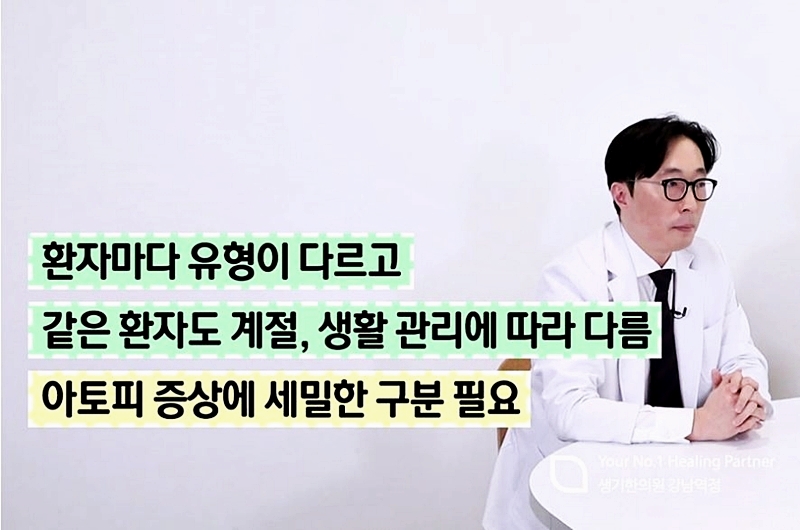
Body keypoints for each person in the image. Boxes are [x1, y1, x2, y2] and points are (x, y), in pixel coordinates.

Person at [482, 115, 773, 530]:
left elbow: (742, 353)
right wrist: (696, 423)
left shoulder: (708, 261)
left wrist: (745, 392)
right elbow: (570, 409)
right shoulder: (571, 278)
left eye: (699, 184)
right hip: (580, 490)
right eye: (673, 184)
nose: (690, 203)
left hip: (683, 478)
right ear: (622, 194)